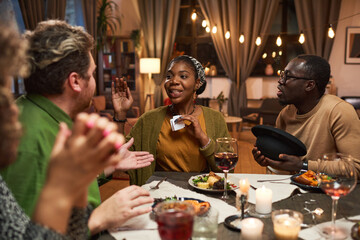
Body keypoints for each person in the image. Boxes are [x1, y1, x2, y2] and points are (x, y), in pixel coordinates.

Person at [0, 20, 154, 235]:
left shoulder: (50, 116)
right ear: (75, 81)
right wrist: (99, 217)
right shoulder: (25, 139)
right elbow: (28, 234)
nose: (94, 81)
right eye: (91, 75)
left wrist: (106, 167)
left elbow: (62, 182)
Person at [112, 55, 231, 185]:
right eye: (169, 76)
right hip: (160, 193)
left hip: (202, 191)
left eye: (183, 76)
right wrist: (120, 114)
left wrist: (203, 138)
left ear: (197, 83)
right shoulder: (149, 119)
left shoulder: (215, 118)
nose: (173, 81)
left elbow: (228, 168)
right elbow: (119, 155)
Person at [252, 54, 360, 176]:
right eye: (282, 74)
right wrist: (269, 160)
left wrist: (303, 166)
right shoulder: (286, 113)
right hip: (290, 188)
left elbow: (355, 168)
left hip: (327, 191)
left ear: (309, 85)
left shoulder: (339, 111)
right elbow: (286, 165)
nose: (280, 80)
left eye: (288, 76)